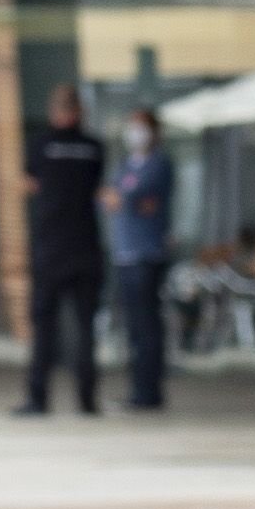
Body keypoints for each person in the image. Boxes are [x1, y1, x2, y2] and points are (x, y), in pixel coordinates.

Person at [14, 90, 108, 418]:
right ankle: (88, 400)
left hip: (50, 248)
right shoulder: (95, 148)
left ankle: (38, 399)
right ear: (80, 112)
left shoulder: (40, 145)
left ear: (55, 111)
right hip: (86, 248)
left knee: (44, 328)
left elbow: (28, 183)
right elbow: (94, 186)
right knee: (86, 328)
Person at [108, 106, 176, 413]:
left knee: (148, 326)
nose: (135, 133)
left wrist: (125, 199)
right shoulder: (126, 165)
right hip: (124, 254)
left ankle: (149, 391)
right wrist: (125, 199)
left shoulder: (160, 164)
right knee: (134, 328)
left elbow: (132, 198)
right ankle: (137, 389)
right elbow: (112, 196)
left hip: (147, 255)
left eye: (141, 126)